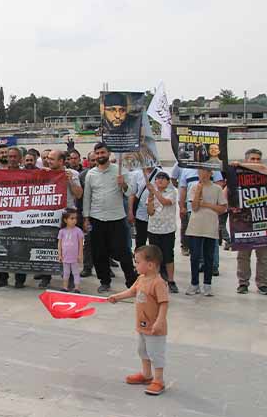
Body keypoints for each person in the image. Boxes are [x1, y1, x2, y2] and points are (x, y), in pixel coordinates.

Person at [108, 245, 170, 396]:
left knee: (155, 354)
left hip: (155, 329)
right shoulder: (141, 279)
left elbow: (164, 303)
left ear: (150, 265)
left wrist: (160, 321)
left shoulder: (158, 283)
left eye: (137, 262)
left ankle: (159, 380)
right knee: (142, 351)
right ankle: (146, 375)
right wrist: (117, 297)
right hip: (142, 325)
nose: (135, 265)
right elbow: (132, 291)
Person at [82, 142, 137, 293]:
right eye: (97, 153)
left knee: (123, 251)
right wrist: (86, 218)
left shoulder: (120, 171)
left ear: (109, 153)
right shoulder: (91, 174)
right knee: (99, 252)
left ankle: (131, 281)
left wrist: (123, 184)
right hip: (96, 218)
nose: (100, 156)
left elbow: (130, 192)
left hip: (117, 218)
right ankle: (104, 281)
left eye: (103, 153)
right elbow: (87, 197)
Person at [37, 150, 83, 288]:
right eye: (47, 158)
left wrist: (69, 181)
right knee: (46, 245)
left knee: (68, 248)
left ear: (61, 161)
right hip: (48, 215)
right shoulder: (44, 172)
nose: (48, 161)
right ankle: (46, 276)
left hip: (67, 215)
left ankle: (68, 277)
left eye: (51, 159)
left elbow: (79, 194)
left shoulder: (72, 174)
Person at [232, 148, 267, 295]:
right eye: (252, 159)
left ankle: (262, 283)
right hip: (244, 222)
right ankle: (243, 283)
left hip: (264, 220)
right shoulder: (237, 176)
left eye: (258, 159)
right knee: (243, 255)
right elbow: (226, 194)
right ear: (247, 160)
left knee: (263, 256)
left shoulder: (265, 172)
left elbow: (264, 168)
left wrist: (242, 165)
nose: (256, 162)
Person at [184, 168, 227, 296]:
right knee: (195, 256)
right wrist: (198, 191)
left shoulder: (217, 189)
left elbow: (222, 208)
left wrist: (207, 204)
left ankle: (207, 284)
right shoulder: (194, 187)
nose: (202, 174)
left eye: (205, 171)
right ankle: (194, 283)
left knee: (209, 256)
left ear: (210, 173)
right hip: (196, 226)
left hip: (210, 225)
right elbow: (195, 206)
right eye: (200, 172)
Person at [0, 147, 29, 288]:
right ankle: (2, 278)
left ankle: (20, 279)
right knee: (1, 247)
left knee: (21, 248)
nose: (12, 159)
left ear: (20, 159)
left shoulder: (28, 174)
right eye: (10, 156)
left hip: (21, 217)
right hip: (3, 216)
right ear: (6, 158)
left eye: (15, 157)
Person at [145, 172, 178, 293]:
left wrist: (153, 191)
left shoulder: (172, 191)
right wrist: (150, 199)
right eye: (158, 178)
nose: (160, 180)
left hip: (167, 229)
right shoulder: (152, 194)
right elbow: (150, 212)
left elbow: (165, 202)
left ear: (168, 181)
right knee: (154, 256)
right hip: (153, 229)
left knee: (168, 255)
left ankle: (171, 280)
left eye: (163, 178)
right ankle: (155, 280)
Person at [129, 166, 163, 248]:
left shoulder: (161, 173)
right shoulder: (137, 173)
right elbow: (132, 194)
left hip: (155, 213)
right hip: (140, 213)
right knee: (140, 239)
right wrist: (130, 211)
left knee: (154, 241)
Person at [58, 209, 84, 293]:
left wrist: (80, 255)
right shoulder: (62, 231)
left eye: (75, 218)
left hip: (74, 257)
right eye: (71, 218)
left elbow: (81, 244)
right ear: (65, 220)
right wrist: (60, 255)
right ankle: (65, 287)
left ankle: (77, 288)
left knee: (76, 272)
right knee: (66, 272)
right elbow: (59, 244)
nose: (74, 220)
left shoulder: (78, 231)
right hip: (65, 256)